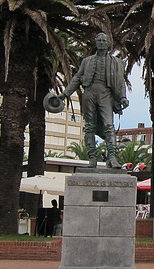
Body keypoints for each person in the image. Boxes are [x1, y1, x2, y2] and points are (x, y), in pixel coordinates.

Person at [44, 33, 129, 168]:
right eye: (99, 40)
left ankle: (112, 157)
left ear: (108, 44)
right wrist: (65, 94)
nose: (101, 42)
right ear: (96, 43)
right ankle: (92, 158)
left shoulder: (116, 63)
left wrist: (123, 97)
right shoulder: (87, 61)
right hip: (89, 93)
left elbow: (120, 82)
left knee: (109, 125)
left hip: (105, 94)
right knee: (89, 127)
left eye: (104, 40)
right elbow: (77, 78)